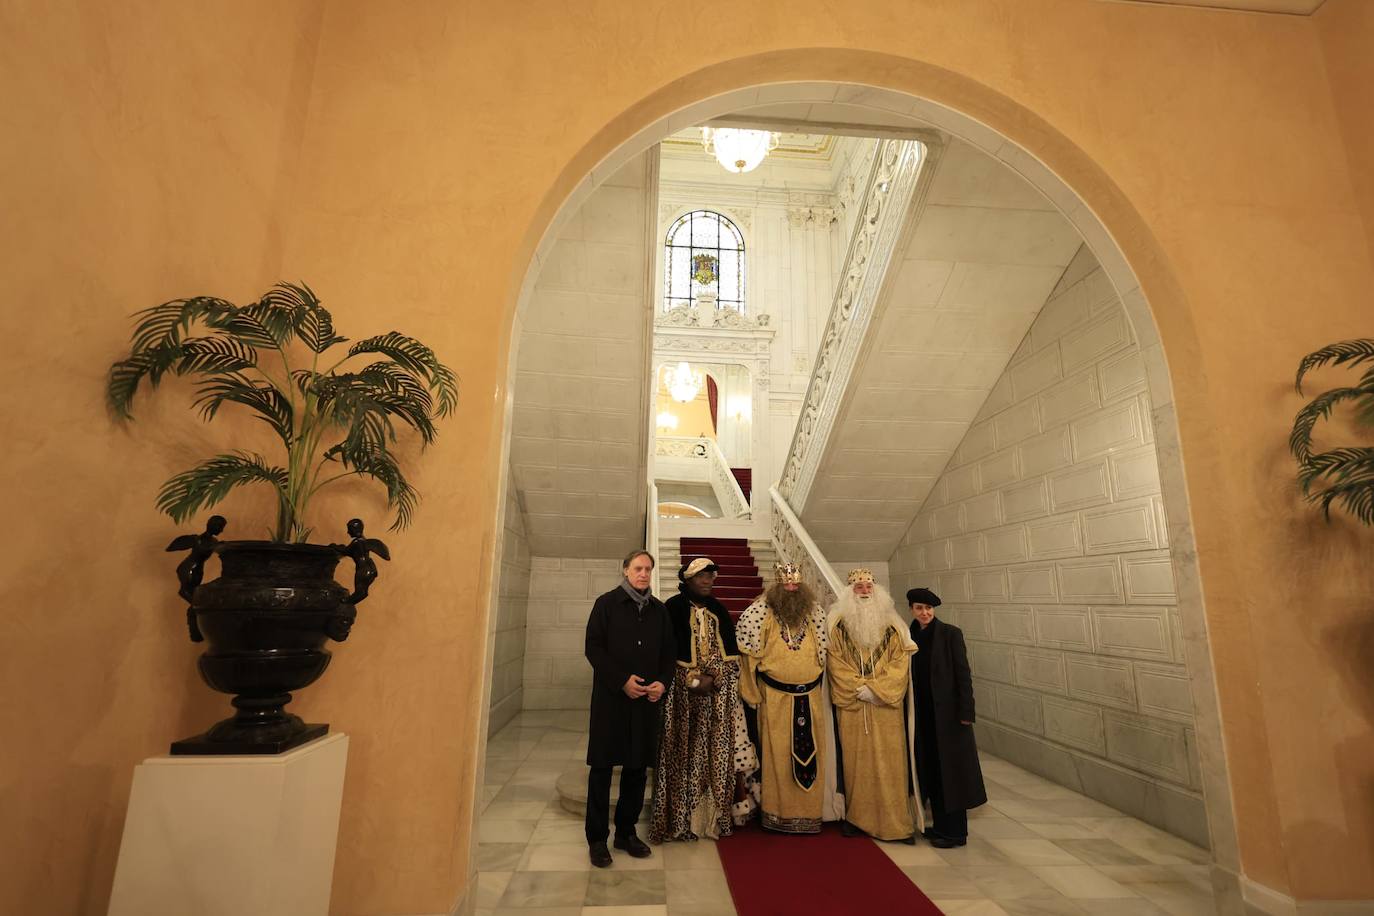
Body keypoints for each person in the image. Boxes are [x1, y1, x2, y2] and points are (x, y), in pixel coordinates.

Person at [649, 557, 759, 843]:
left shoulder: (719, 610)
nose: (708, 582)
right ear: (688, 580)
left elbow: (731, 657)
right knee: (679, 755)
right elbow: (663, 652)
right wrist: (688, 678)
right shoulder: (671, 608)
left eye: (711, 577)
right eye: (702, 577)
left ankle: (709, 821)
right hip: (680, 698)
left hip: (715, 699)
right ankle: (679, 822)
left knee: (713, 758)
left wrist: (714, 676)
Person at [583, 550, 676, 868]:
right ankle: (597, 839)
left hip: (645, 705)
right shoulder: (606, 604)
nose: (644, 574)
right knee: (602, 771)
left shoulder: (660, 612)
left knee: (637, 770)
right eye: (638, 568)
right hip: (612, 702)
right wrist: (621, 680)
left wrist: (662, 683)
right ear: (625, 571)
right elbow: (593, 647)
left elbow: (668, 655)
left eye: (648, 569)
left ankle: (625, 832)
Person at [736, 562, 837, 834]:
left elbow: (827, 654)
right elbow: (748, 656)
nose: (791, 588)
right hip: (775, 700)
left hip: (811, 697)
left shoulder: (814, 612)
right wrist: (750, 692)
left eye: (795, 584)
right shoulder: (761, 612)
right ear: (778, 585)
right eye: (786, 584)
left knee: (813, 755)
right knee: (778, 757)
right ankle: (777, 815)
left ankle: (810, 814)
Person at [827, 569, 921, 843]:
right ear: (849, 592)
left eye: (869, 586)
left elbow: (900, 662)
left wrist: (877, 690)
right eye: (859, 587)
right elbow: (835, 662)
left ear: (877, 590)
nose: (865, 591)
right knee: (856, 765)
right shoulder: (838, 625)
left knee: (892, 764)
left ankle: (896, 824)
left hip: (885, 708)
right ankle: (858, 818)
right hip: (854, 707)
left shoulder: (894, 626)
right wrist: (859, 688)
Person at [906, 587, 987, 848]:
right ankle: (939, 826)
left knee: (952, 775)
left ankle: (955, 833)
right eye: (920, 608)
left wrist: (966, 712)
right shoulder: (909, 635)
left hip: (950, 718)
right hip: (923, 716)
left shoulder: (950, 634)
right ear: (912, 609)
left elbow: (964, 675)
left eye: (929, 608)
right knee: (932, 771)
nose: (925, 612)